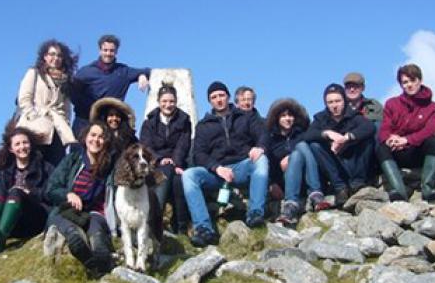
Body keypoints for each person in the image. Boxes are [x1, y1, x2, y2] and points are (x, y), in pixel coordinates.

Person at [182, 81, 269, 247]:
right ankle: (204, 228)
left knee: (261, 160)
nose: (218, 100)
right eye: (214, 97)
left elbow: (263, 134)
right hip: (217, 172)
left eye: (221, 95)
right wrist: (217, 168)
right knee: (189, 175)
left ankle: (255, 213)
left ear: (228, 97)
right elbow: (199, 154)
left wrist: (260, 147)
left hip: (242, 166)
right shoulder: (203, 125)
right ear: (210, 101)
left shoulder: (245, 116)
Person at [45, 122, 115, 277]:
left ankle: (102, 265)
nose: (96, 140)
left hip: (94, 213)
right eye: (93, 135)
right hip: (66, 211)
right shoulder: (73, 159)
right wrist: (68, 194)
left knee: (98, 237)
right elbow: (51, 188)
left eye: (101, 137)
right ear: (85, 137)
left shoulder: (109, 166)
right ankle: (90, 264)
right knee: (74, 236)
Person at [377, 64, 435, 202]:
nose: (409, 85)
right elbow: (385, 128)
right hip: (397, 152)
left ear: (420, 80)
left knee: (434, 141)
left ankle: (428, 188)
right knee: (381, 147)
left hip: (418, 153)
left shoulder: (432, 107)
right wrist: (390, 140)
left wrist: (406, 140)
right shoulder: (392, 103)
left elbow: (430, 129)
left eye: (412, 80)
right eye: (405, 82)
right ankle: (399, 191)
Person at [305, 84, 376, 208]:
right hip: (336, 165)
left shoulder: (353, 115)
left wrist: (347, 138)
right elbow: (308, 135)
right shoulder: (321, 118)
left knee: (367, 139)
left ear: (344, 100)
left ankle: (358, 184)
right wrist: (327, 133)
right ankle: (340, 188)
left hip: (355, 163)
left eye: (338, 101)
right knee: (315, 145)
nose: (334, 105)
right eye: (330, 102)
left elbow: (369, 127)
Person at [266, 99, 330, 227]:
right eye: (283, 116)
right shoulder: (271, 140)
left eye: (290, 115)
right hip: (285, 181)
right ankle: (295, 201)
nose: (288, 119)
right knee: (297, 153)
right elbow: (268, 164)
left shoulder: (302, 134)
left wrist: (289, 157)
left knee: (301, 146)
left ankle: (313, 194)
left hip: (306, 178)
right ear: (277, 118)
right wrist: (271, 183)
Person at [71, 34, 151, 137]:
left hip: (109, 123)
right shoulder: (85, 72)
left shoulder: (123, 72)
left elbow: (149, 71)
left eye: (112, 50)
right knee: (79, 153)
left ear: (116, 52)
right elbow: (73, 94)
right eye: (105, 50)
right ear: (100, 50)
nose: (108, 53)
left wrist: (142, 75)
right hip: (84, 122)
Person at [0, 123, 53, 252]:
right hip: (13, 223)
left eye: (25, 143)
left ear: (30, 144)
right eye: (17, 144)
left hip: (35, 218)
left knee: (16, 192)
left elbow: (51, 193)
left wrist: (30, 192)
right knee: (0, 192)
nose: (22, 147)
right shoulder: (4, 173)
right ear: (11, 149)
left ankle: (1, 236)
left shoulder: (45, 168)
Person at [139, 84, 191, 234]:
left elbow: (183, 144)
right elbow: (146, 146)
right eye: (164, 101)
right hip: (155, 164)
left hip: (177, 164)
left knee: (178, 181)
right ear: (158, 101)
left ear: (176, 101)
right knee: (168, 172)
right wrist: (160, 159)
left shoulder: (184, 120)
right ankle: (156, 218)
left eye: (171, 101)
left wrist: (176, 162)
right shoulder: (149, 123)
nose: (168, 105)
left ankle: (180, 226)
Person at [16, 39, 78, 166]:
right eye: (52, 54)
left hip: (57, 129)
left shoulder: (66, 81)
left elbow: (67, 108)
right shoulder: (34, 73)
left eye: (59, 55)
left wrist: (64, 124)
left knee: (56, 166)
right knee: (35, 165)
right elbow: (24, 98)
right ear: (45, 56)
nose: (55, 58)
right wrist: (33, 116)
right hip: (35, 127)